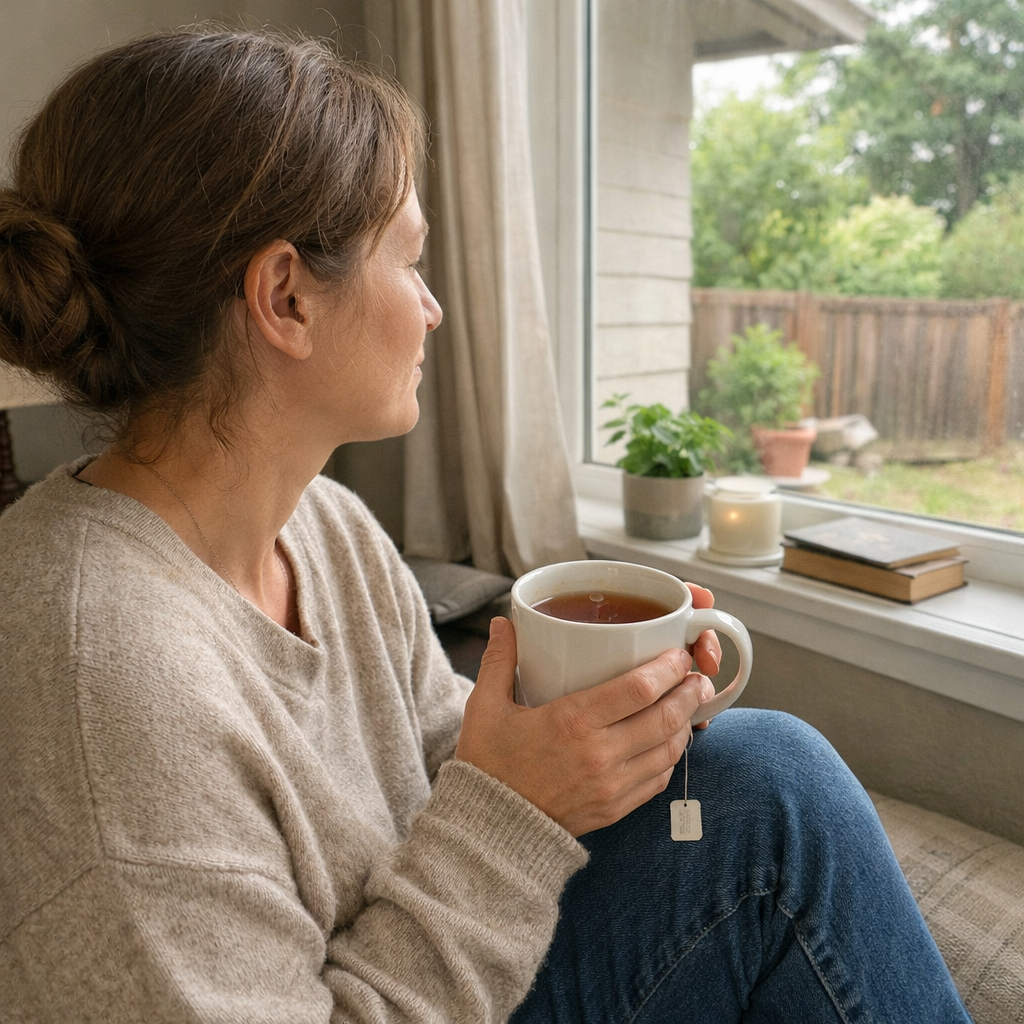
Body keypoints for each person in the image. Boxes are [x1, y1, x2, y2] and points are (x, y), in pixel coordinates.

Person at [0, 27, 973, 1024]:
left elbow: (430, 757)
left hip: (439, 971)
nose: (430, 309)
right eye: (409, 260)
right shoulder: (107, 672)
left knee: (758, 772)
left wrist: (580, 742)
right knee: (778, 796)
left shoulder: (326, 528)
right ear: (284, 295)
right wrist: (513, 810)